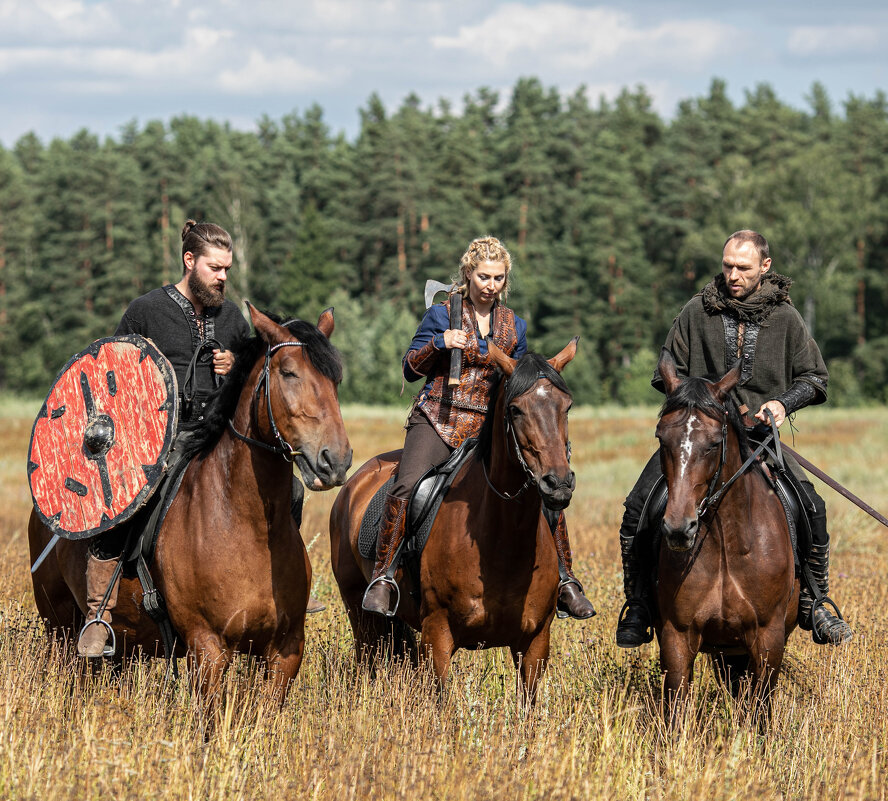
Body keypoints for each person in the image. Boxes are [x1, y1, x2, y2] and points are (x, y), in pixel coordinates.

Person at [76, 220, 321, 659]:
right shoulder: (146, 310)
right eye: (215, 267)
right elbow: (111, 374)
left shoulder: (230, 318)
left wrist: (236, 364)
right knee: (125, 502)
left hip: (217, 435)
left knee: (293, 492)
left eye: (227, 268)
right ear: (190, 261)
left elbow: (256, 381)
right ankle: (100, 612)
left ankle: (285, 587)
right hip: (159, 437)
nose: (223, 277)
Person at [615, 229, 853, 649]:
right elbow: (664, 371)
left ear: (765, 267)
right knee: (638, 506)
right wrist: (697, 402)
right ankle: (637, 605)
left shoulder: (786, 319)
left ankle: (815, 602)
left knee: (812, 506)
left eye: (742, 268)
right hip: (698, 438)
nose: (732, 275)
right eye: (727, 266)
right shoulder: (696, 312)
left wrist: (781, 404)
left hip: (759, 441)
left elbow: (815, 378)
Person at [361, 235, 596, 620]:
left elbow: (518, 382)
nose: (491, 285)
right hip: (440, 419)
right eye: (484, 277)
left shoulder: (514, 326)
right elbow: (409, 368)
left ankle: (567, 580)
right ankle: (384, 577)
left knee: (544, 480)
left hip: (489, 427)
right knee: (407, 483)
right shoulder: (441, 315)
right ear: (468, 275)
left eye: (499, 278)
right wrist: (439, 342)